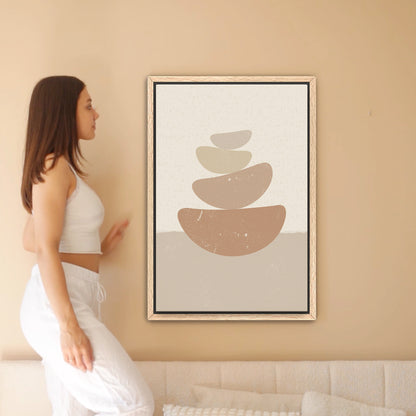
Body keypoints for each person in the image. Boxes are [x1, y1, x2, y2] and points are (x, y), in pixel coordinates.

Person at [19, 75, 154, 416]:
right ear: (64, 113)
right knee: (137, 403)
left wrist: (101, 247)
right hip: (58, 305)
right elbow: (43, 248)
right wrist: (68, 327)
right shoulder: (53, 168)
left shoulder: (60, 169)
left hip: (73, 294)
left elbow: (31, 238)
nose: (97, 114)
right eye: (89, 105)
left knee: (72, 411)